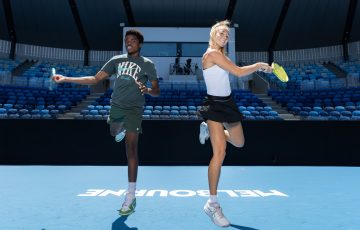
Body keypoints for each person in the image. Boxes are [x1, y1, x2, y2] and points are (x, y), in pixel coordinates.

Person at [52, 29, 160, 216]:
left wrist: (148, 90)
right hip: (116, 106)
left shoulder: (148, 65)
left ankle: (130, 196)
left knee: (131, 149)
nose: (129, 42)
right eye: (127, 40)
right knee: (113, 132)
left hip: (134, 109)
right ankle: (121, 129)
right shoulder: (116, 61)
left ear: (140, 44)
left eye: (133, 40)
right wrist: (66, 79)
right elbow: (95, 79)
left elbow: (156, 91)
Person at [198, 20, 272, 227]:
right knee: (219, 153)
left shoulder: (222, 55)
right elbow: (238, 72)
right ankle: (212, 204)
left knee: (239, 142)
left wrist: (262, 68)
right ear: (213, 35)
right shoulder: (211, 54)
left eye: (227, 35)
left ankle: (210, 131)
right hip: (213, 105)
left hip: (228, 103)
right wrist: (258, 65)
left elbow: (232, 73)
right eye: (221, 33)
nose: (225, 36)